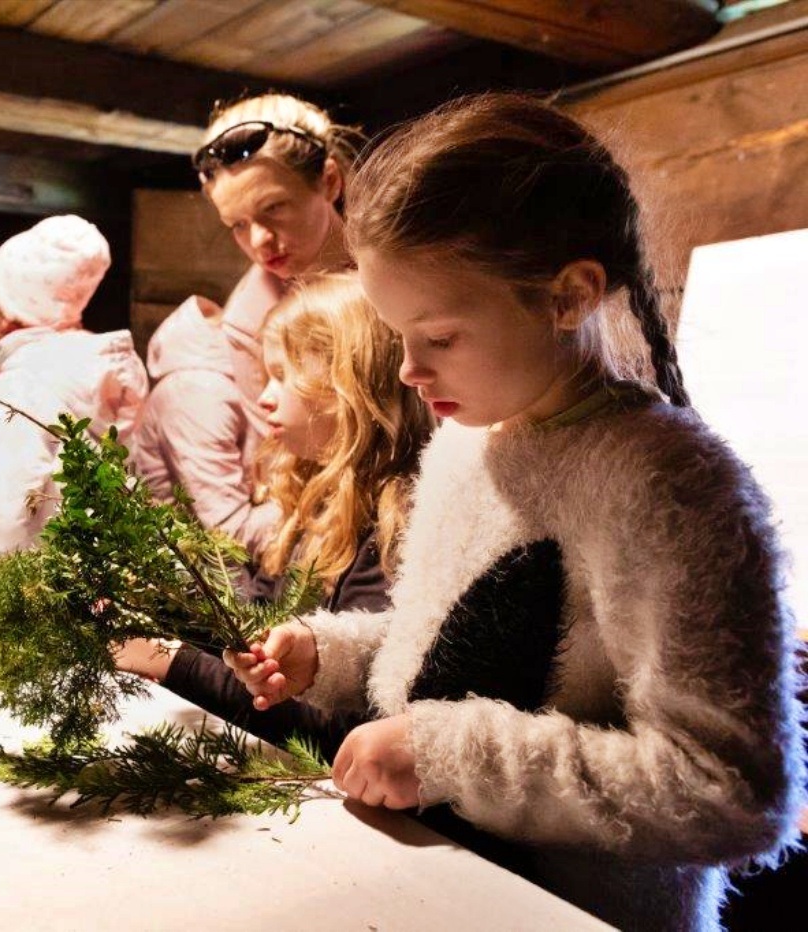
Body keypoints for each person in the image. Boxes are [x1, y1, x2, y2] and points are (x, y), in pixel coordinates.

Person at [225, 94, 806, 931]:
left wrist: (449, 755)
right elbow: (441, 648)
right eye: (398, 340)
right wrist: (329, 654)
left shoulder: (669, 486)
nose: (411, 373)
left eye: (442, 337)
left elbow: (730, 793)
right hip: (447, 890)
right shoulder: (471, 441)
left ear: (568, 295)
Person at [115, 273, 430, 755]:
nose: (264, 398)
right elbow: (255, 629)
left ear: (349, 389)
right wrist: (163, 607)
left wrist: (171, 662)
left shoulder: (395, 529)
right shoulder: (315, 502)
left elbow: (340, 732)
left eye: (284, 377)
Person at [133, 93, 363, 561]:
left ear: (330, 180)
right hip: (334, 542)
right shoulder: (250, 325)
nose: (260, 240)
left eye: (274, 208)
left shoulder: (403, 279)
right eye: (237, 225)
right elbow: (282, 470)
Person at [0, 215, 148, 558]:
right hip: (106, 584)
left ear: (9, 312)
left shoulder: (20, 385)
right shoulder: (92, 368)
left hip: (38, 596)